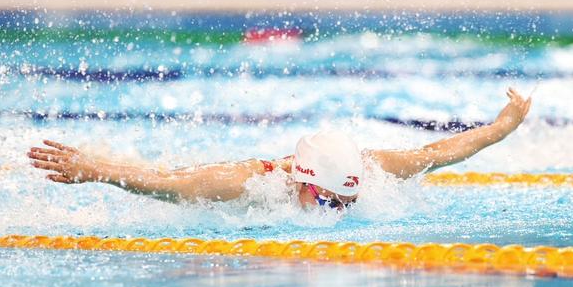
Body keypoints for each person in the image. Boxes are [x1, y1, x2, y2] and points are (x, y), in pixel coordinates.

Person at [28, 88, 531, 210]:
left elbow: (442, 151)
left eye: (346, 202)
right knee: (168, 170)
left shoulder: (370, 170)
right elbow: (169, 186)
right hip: (208, 181)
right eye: (334, 202)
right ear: (306, 182)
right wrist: (96, 170)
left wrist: (501, 128)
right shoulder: (249, 183)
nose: (340, 211)